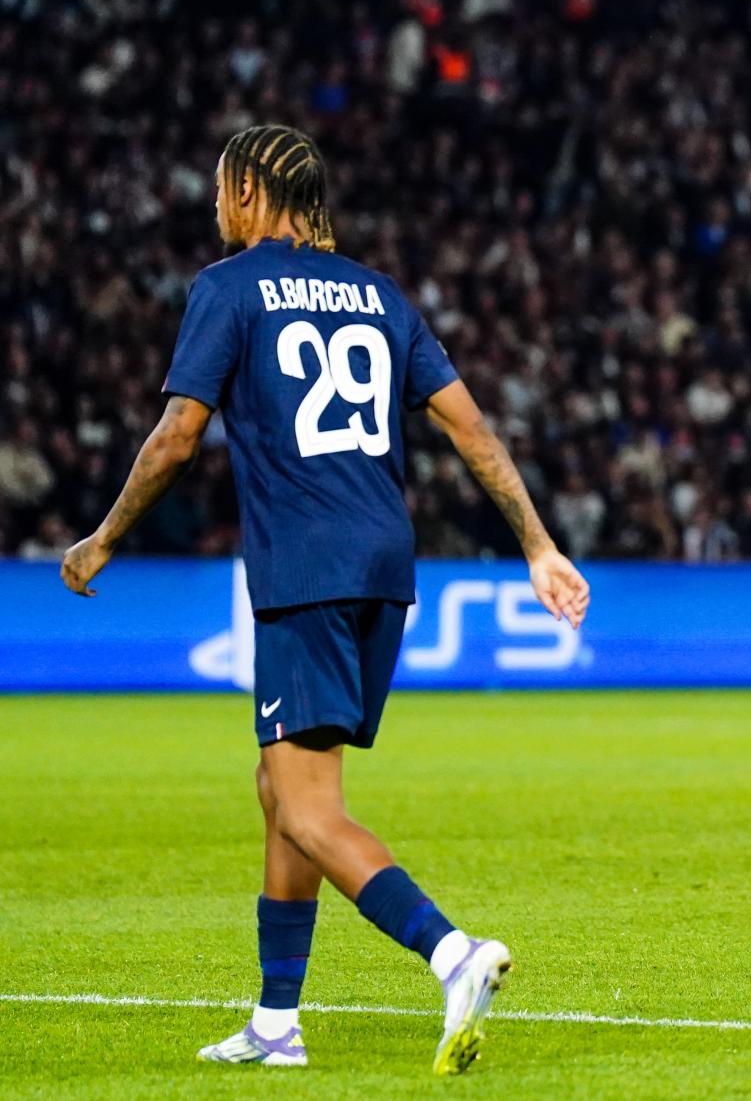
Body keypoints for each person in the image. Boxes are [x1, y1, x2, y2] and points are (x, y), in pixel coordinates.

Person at [59, 125, 591, 1074]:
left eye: (223, 187)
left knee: (308, 807)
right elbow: (470, 430)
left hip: (304, 564)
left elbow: (179, 435)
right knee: (281, 787)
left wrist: (104, 535)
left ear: (256, 192)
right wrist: (538, 543)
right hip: (385, 562)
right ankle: (275, 1022)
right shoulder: (379, 294)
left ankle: (453, 954)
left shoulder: (227, 287)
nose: (215, 207)